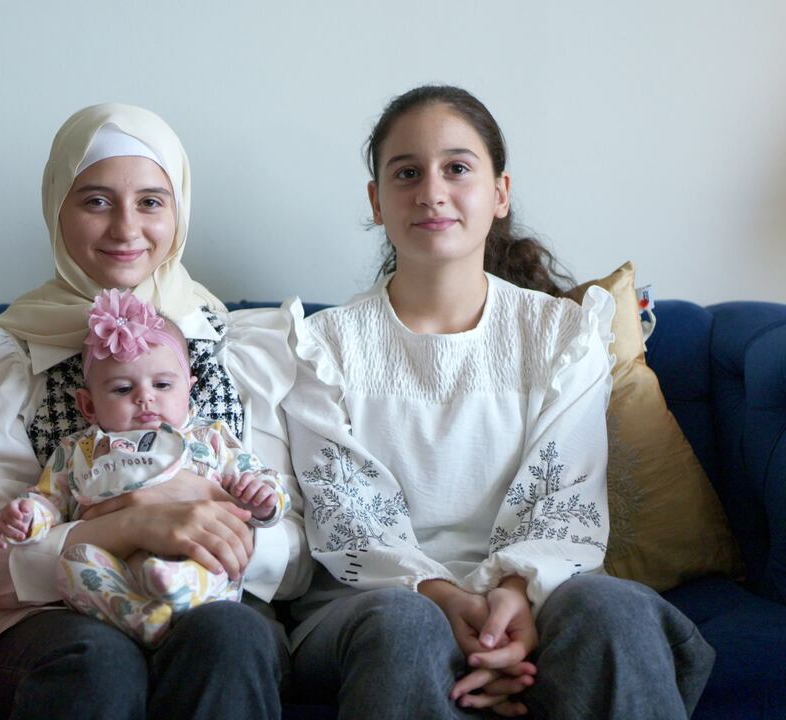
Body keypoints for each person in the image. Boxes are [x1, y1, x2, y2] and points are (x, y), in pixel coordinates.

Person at [283, 85, 714, 719]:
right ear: (376, 201)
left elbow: (566, 498)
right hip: (371, 606)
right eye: (407, 173)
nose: (432, 190)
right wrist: (445, 600)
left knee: (611, 609)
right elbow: (348, 512)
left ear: (500, 193)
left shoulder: (564, 336)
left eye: (457, 168)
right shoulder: (320, 347)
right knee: (406, 625)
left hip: (540, 590)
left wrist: (513, 599)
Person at [0, 103, 310, 719]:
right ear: (57, 207)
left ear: (179, 210)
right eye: (97, 200)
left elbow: (291, 561)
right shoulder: (1, 358)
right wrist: (131, 523)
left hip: (208, 600)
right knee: (99, 660)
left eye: (152, 201)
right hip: (50, 621)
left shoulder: (242, 349)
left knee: (228, 639)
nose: (125, 228)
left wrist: (203, 529)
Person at [0, 289, 290, 646]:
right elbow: (48, 499)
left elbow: (263, 482)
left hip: (195, 561)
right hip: (117, 572)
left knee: (213, 562)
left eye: (163, 385)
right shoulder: (79, 450)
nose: (145, 397)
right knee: (73, 562)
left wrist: (261, 498)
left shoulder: (210, 438)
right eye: (121, 389)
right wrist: (28, 516)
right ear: (88, 406)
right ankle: (142, 619)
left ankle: (178, 586)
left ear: (189, 391)